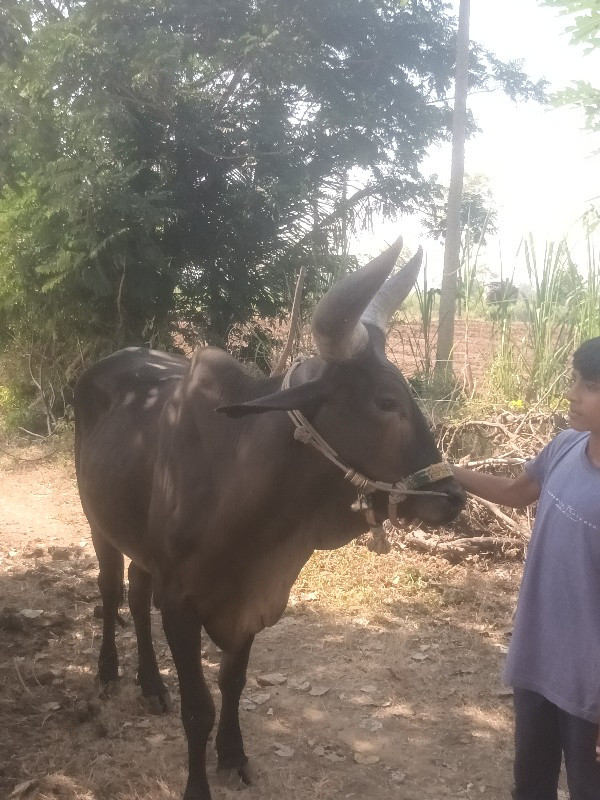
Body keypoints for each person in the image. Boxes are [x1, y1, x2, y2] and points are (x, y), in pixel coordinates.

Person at [453, 337, 600, 800]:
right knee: (531, 785)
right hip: (539, 657)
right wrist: (449, 472)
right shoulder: (565, 446)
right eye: (575, 380)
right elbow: (517, 491)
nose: (573, 394)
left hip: (591, 684)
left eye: (591, 386)